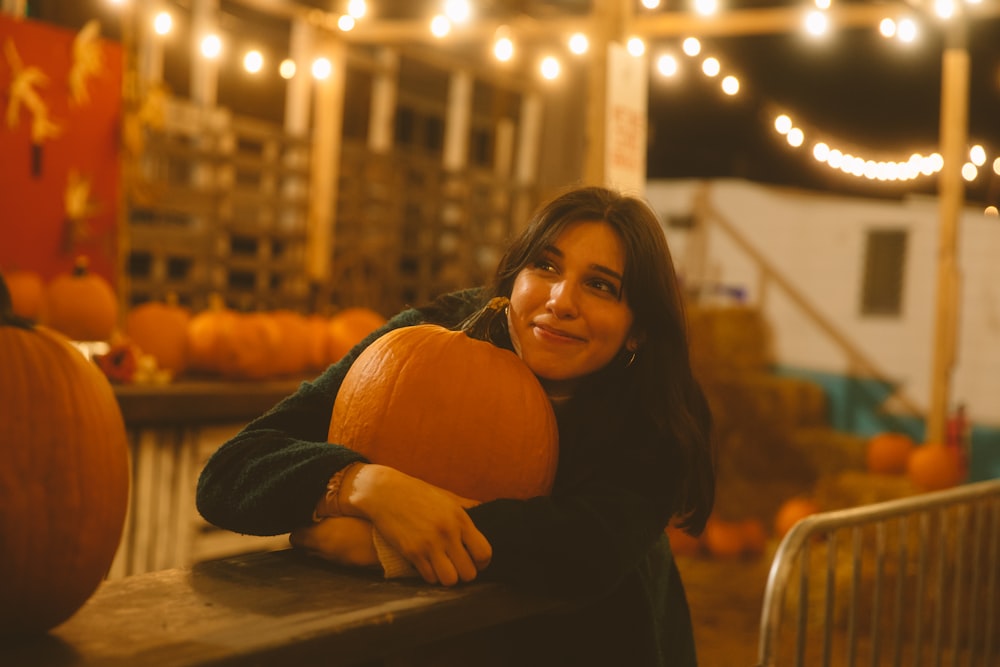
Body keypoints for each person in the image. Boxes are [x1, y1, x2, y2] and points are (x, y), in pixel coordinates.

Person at [196, 185, 716, 666]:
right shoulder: (427, 341)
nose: (560, 301)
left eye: (600, 286)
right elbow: (229, 474)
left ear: (637, 330)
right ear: (515, 276)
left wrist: (387, 547)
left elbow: (586, 548)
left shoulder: (655, 414)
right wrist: (367, 486)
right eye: (546, 266)